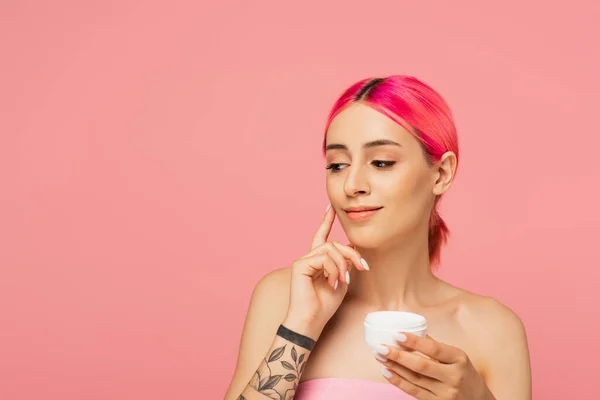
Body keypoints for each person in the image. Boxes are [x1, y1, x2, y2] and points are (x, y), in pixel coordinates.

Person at [224, 75, 532, 400]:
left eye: (381, 162)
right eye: (337, 165)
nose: (351, 184)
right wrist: (301, 326)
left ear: (441, 174)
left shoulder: (493, 330)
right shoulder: (284, 298)